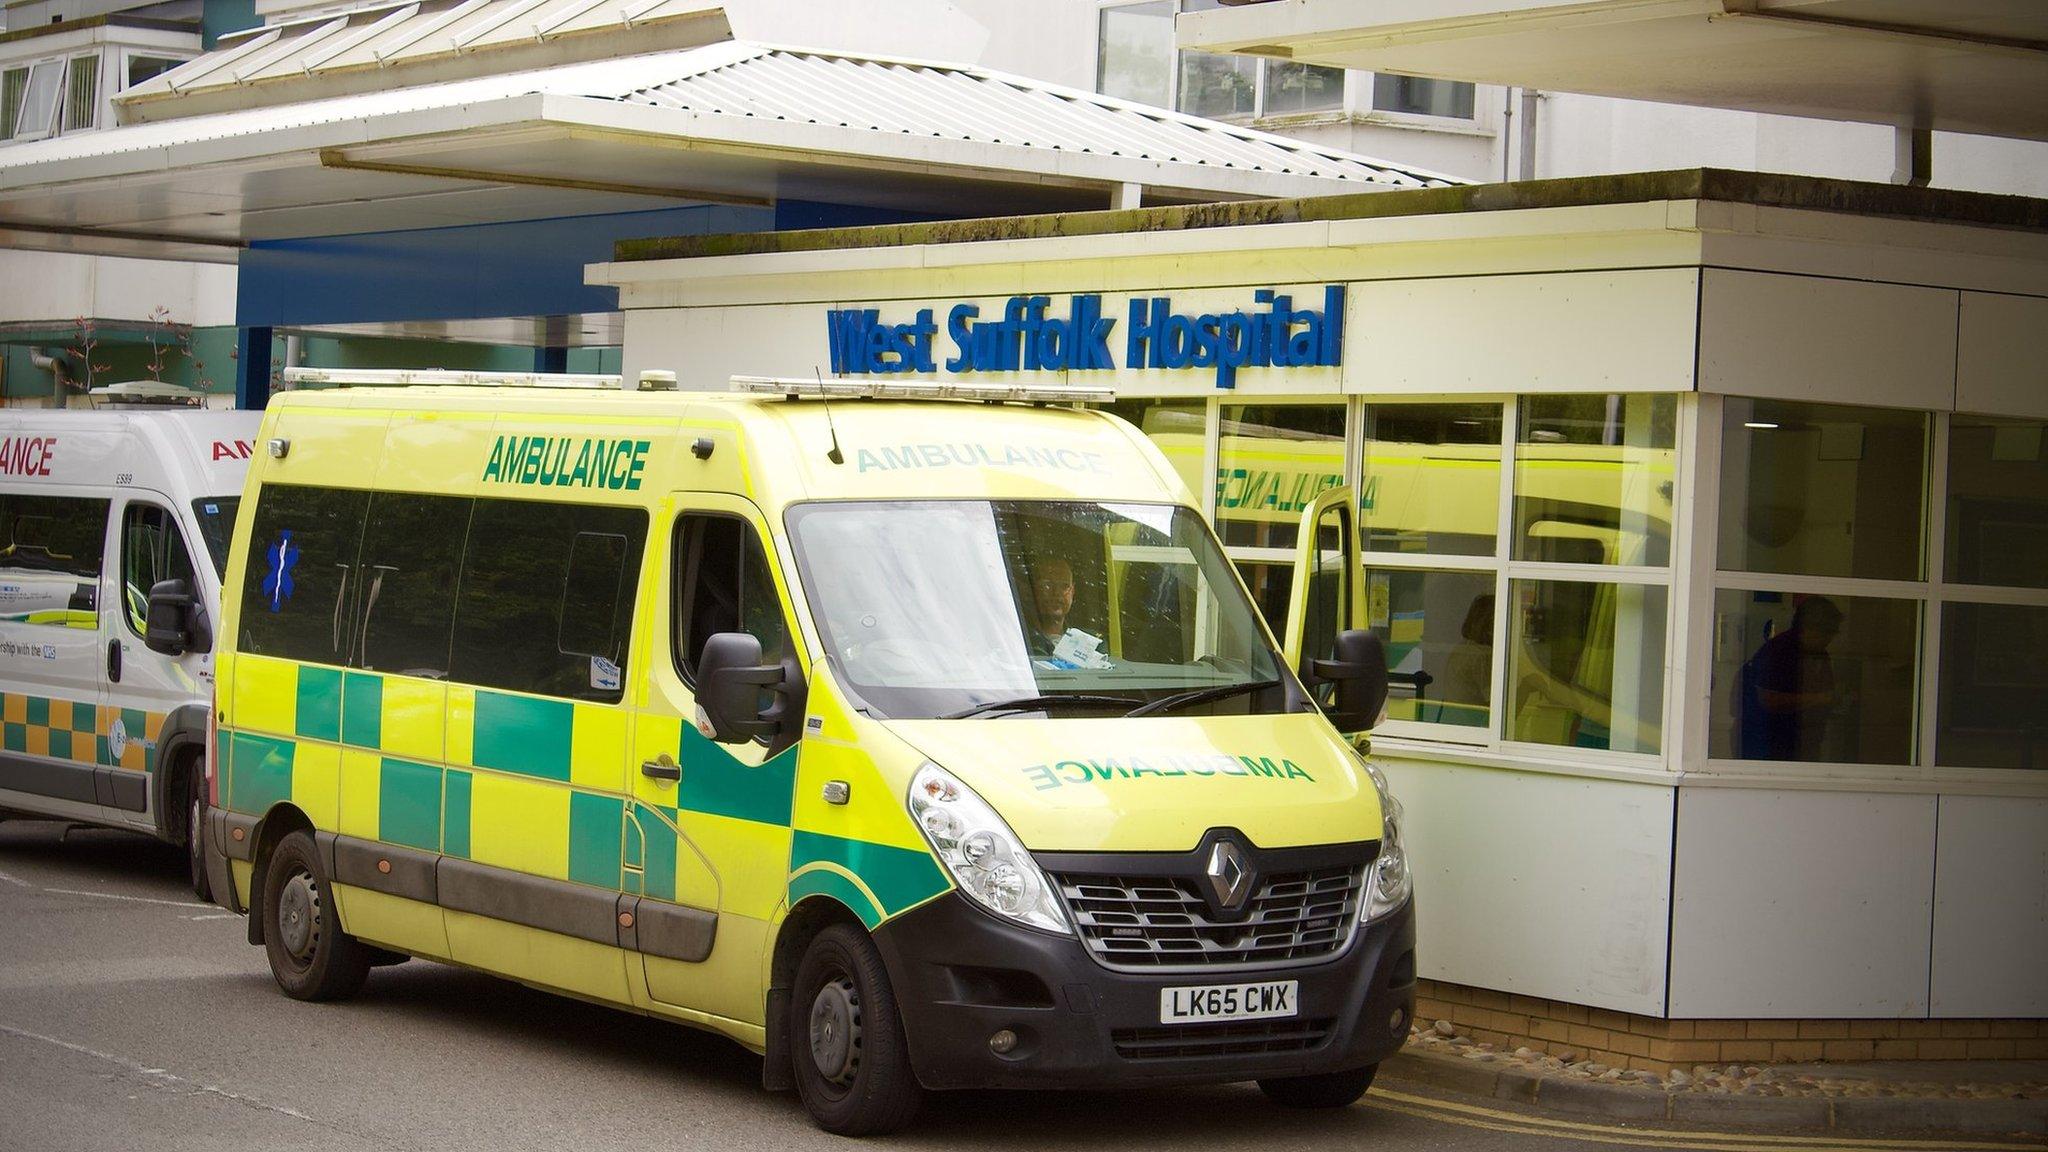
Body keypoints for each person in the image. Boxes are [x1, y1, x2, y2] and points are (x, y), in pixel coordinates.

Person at [1738, 596, 1844, 761]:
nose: (1830, 639)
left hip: (1805, 743)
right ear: (1810, 628)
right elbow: (1768, 700)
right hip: (1771, 746)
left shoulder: (1819, 653)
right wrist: (1820, 698)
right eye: (1828, 633)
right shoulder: (1779, 651)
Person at [1027, 556, 1076, 658]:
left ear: (1072, 591)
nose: (1057, 593)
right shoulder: (1020, 642)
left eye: (1064, 586)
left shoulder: (1088, 643)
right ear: (1033, 590)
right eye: (1047, 585)